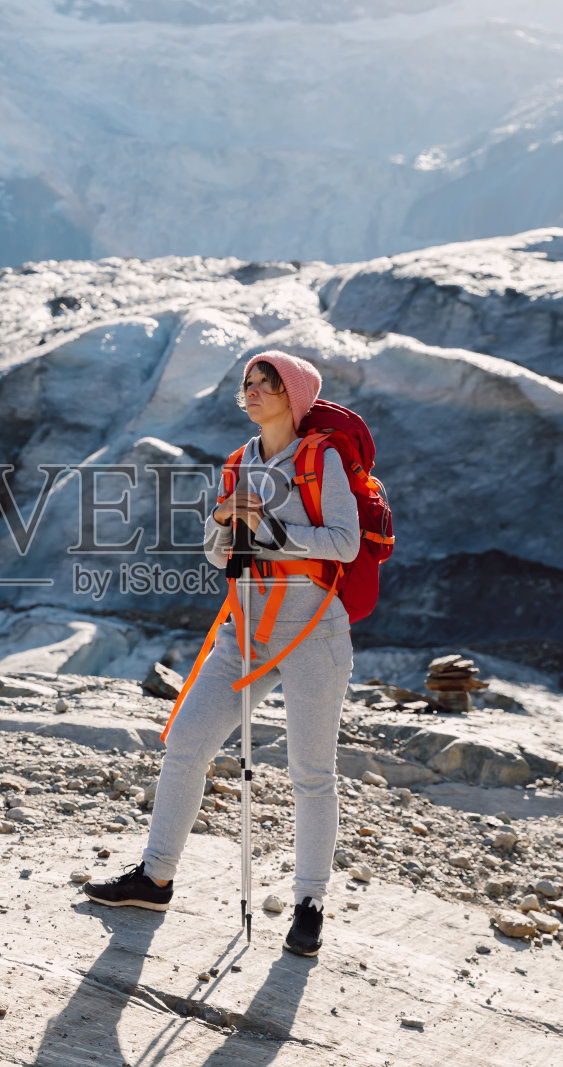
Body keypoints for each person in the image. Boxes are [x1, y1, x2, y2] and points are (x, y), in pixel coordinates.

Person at [83, 352, 359, 956]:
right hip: (245, 630)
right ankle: (155, 878)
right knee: (186, 742)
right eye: (247, 384)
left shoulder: (321, 459)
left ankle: (310, 903)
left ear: (295, 395)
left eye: (266, 383)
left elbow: (344, 542)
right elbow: (216, 554)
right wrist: (227, 524)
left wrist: (269, 532)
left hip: (313, 632)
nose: (252, 391)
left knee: (310, 773)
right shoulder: (239, 462)